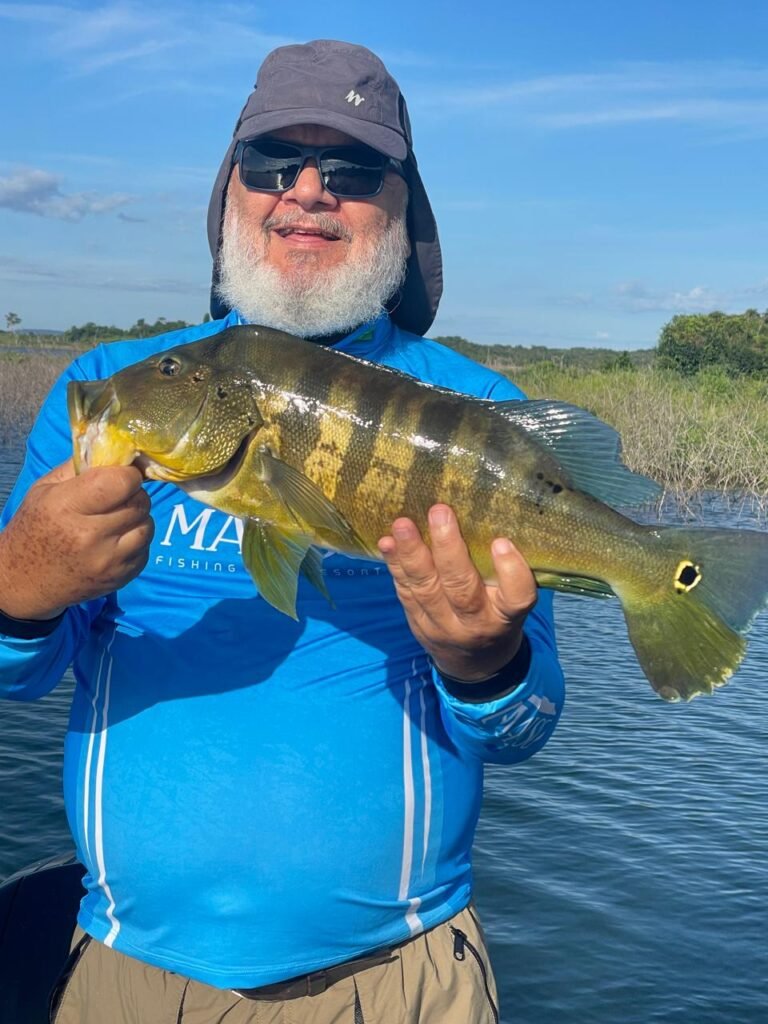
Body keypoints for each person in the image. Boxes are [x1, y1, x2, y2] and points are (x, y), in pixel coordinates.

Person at [0, 40, 565, 1024]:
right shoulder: (109, 396)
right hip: (129, 972)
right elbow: (18, 674)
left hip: (398, 982)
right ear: (231, 189)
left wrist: (485, 661)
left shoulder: (482, 414)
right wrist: (17, 588)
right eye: (272, 163)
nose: (306, 192)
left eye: (350, 171)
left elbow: (527, 724)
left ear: (403, 207)